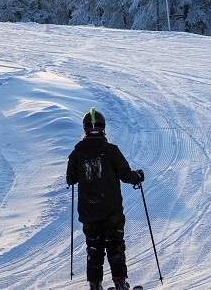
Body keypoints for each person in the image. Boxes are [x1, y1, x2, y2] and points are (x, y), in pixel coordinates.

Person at [68, 108, 144, 290]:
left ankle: (95, 285)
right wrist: (138, 177)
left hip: (88, 212)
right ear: (103, 129)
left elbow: (70, 179)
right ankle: (119, 284)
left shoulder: (77, 153)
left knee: (94, 249)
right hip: (112, 212)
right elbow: (126, 175)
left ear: (85, 129)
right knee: (115, 245)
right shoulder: (110, 151)